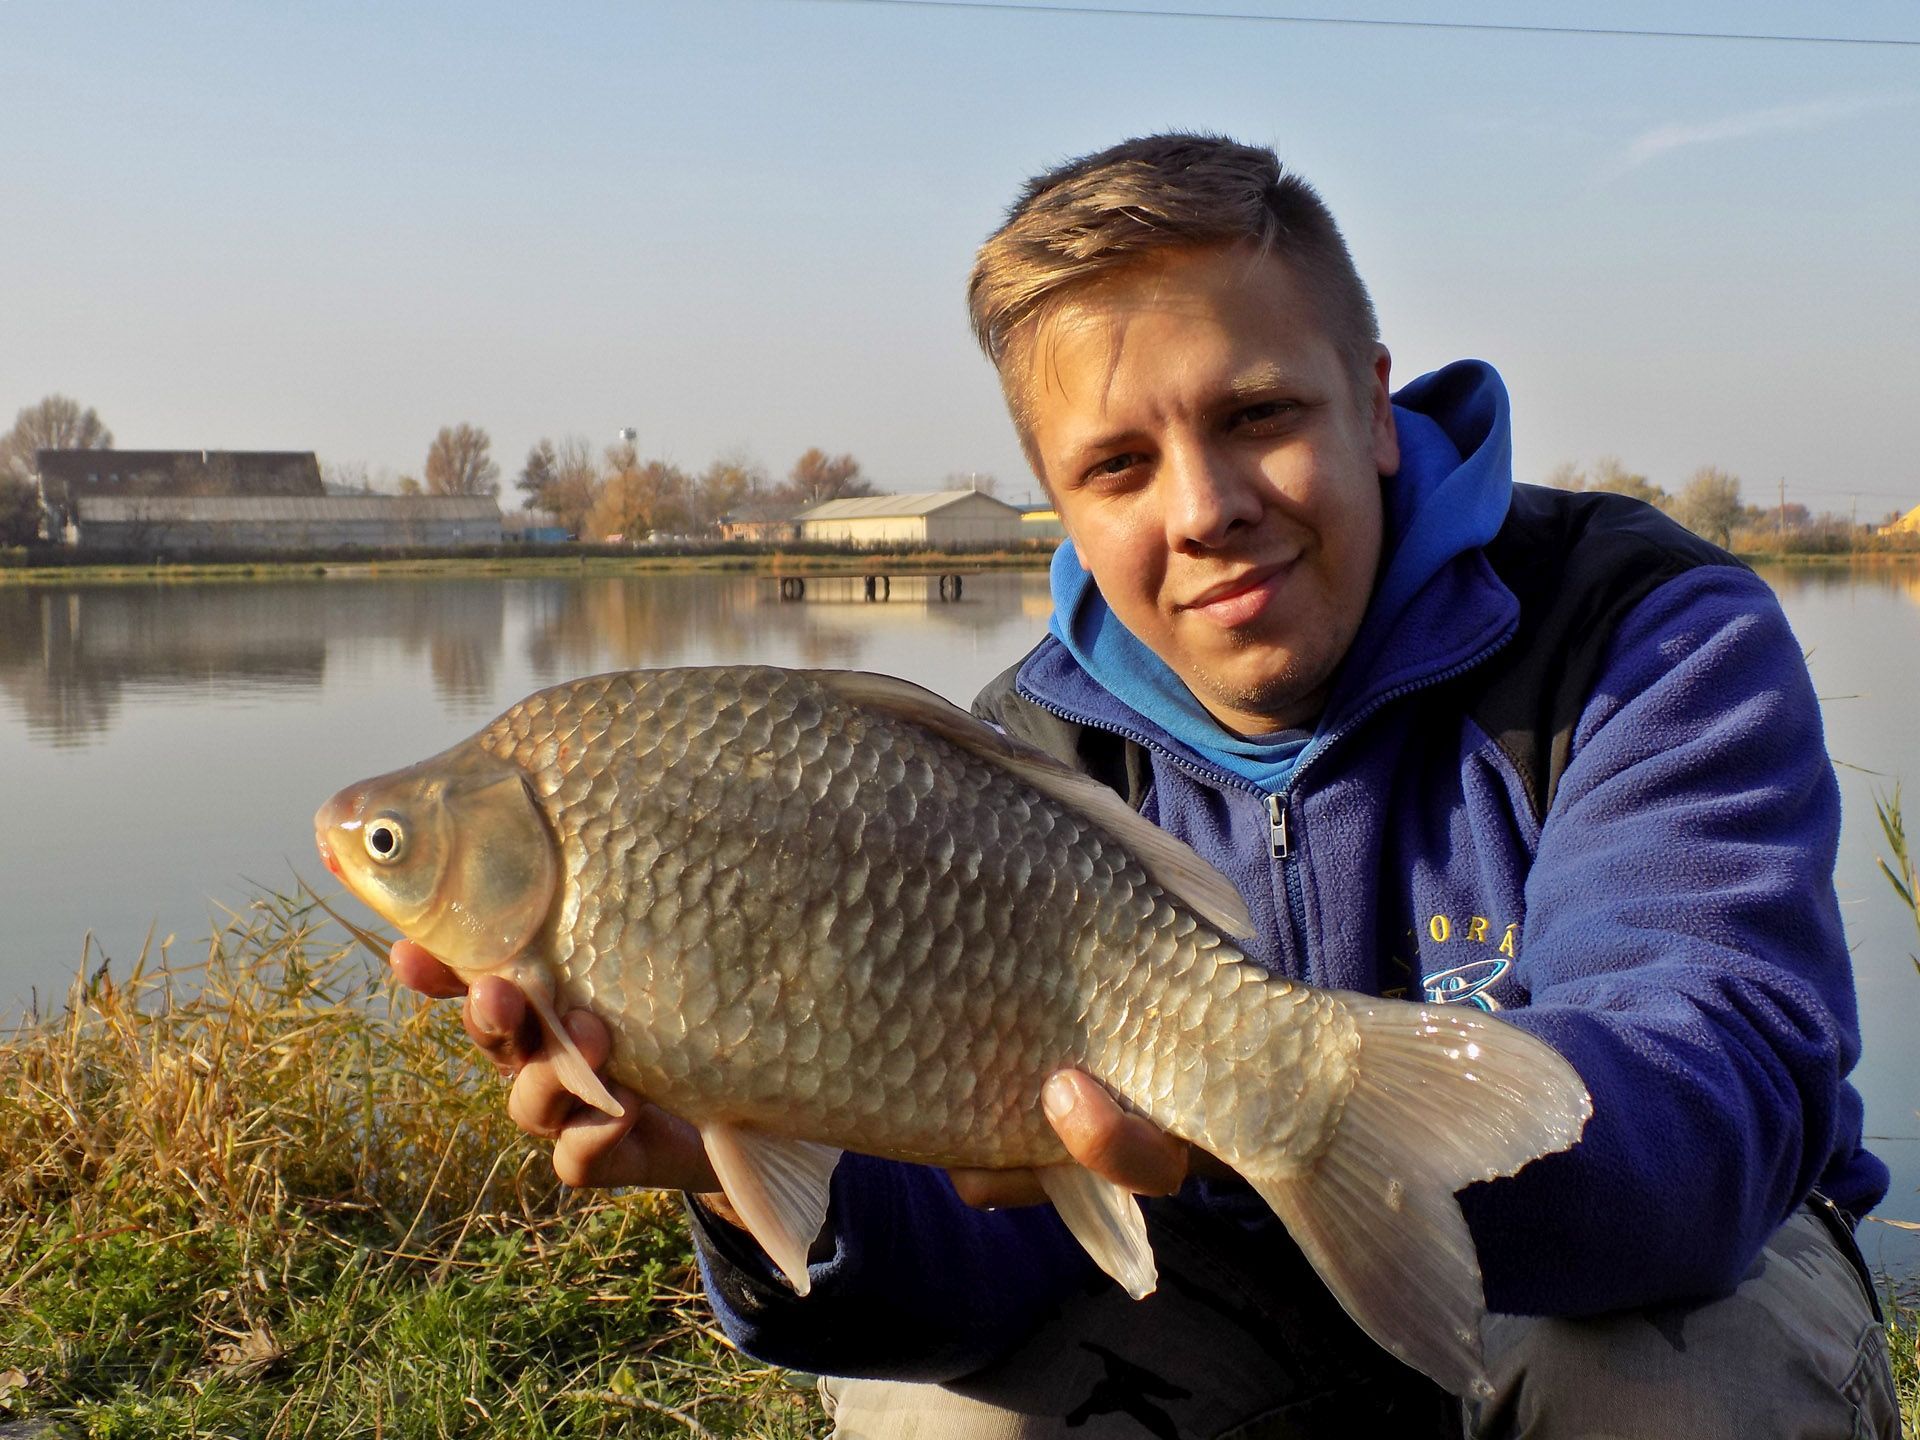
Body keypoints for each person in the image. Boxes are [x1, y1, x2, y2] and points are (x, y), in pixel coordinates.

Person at [391, 134, 1899, 1437]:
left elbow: (1710, 1126)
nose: (1207, 509)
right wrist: (739, 1168)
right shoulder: (1008, 766)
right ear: (1059, 500)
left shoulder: (1638, 636)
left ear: (1373, 403)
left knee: (1688, 1384)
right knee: (934, 1410)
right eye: (1118, 466)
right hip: (1221, 1288)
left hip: (1632, 1276)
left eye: (1258, 416)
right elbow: (994, 1258)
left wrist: (1243, 1125)